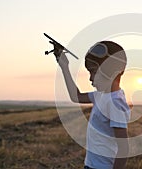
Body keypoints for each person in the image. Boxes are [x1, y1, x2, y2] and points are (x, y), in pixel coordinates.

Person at [53, 41, 130, 169]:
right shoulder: (100, 95)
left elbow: (123, 148)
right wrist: (64, 66)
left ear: (110, 71)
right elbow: (75, 97)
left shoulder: (115, 102)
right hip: (90, 165)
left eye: (93, 72)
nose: (90, 78)